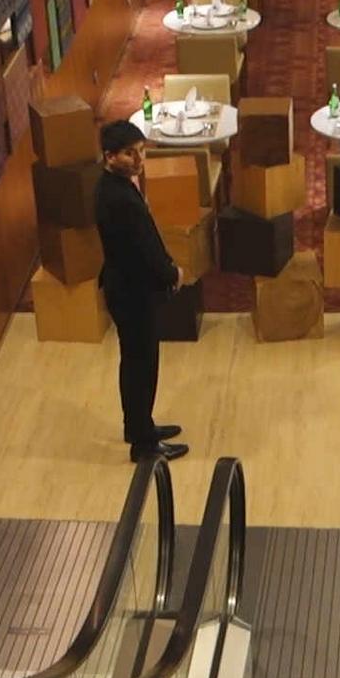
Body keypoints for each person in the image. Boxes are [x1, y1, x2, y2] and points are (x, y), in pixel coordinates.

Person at [94, 120, 188, 462]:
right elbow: (142, 250)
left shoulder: (113, 186)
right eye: (129, 154)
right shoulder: (120, 199)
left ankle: (138, 426)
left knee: (135, 363)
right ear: (109, 156)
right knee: (141, 367)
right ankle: (144, 445)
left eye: (141, 151)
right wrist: (171, 273)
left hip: (126, 288)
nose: (139, 159)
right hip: (132, 294)